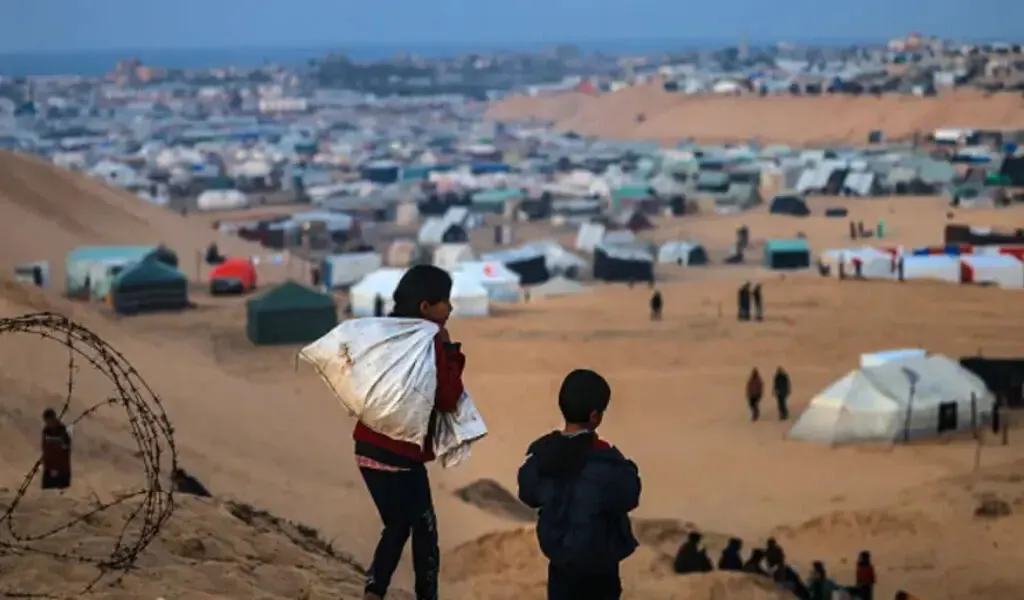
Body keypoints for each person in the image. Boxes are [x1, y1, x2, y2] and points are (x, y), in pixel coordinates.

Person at [353, 265, 467, 600]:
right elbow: (447, 398)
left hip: (366, 448)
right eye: (444, 301)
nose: (451, 308)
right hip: (400, 455)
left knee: (398, 525)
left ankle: (375, 590)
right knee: (425, 530)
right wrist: (450, 352)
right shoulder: (427, 341)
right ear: (425, 308)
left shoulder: (387, 333)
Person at [517, 369, 641, 600]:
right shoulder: (605, 463)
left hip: (560, 568)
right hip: (600, 572)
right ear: (595, 417)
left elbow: (527, 490)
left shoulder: (543, 457)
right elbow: (629, 494)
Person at [41, 408, 71, 490]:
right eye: (46, 421)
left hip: (61, 467)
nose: (48, 423)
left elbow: (67, 446)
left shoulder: (62, 430)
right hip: (49, 465)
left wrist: (58, 442)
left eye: (50, 420)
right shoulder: (46, 431)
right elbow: (44, 447)